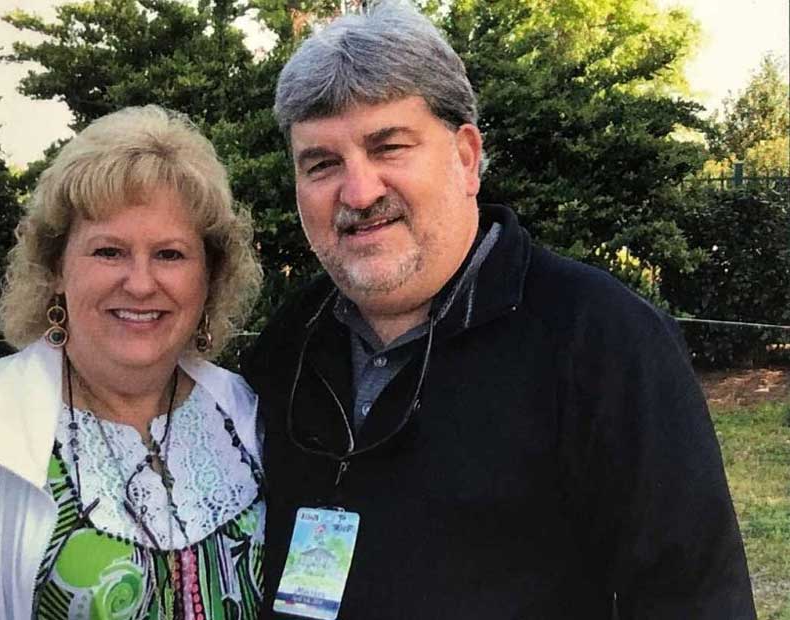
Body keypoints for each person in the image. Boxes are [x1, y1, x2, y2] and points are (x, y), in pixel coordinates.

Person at [242, 3, 756, 619]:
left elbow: (695, 599)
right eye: (322, 164)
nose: (359, 191)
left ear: (465, 156)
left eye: (389, 147)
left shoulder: (601, 341)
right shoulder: (287, 347)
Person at [0, 105, 265, 619]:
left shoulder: (248, 417)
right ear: (56, 268)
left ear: (209, 278)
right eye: (109, 251)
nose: (139, 282)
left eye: (170, 254)